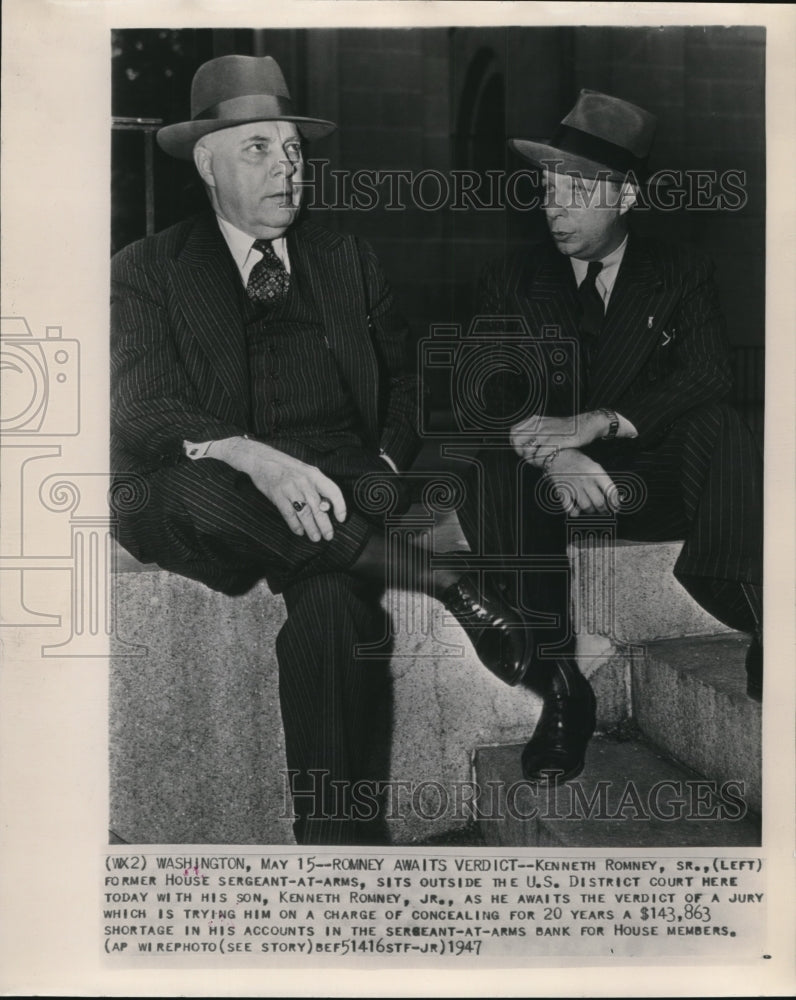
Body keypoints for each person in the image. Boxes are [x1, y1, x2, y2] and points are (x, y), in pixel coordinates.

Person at [111, 54, 548, 846]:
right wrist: (254, 455)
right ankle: (441, 579)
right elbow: (140, 407)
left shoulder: (346, 258)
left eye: (295, 151)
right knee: (178, 486)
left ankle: (332, 855)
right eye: (258, 150)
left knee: (329, 607)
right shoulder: (146, 271)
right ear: (207, 163)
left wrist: (383, 460)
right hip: (221, 487)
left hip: (346, 486)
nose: (287, 168)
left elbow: (408, 377)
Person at [457, 89, 764, 786]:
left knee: (720, 425)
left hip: (645, 478)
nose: (554, 207)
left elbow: (710, 374)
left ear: (626, 195)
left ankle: (763, 617)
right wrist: (559, 451)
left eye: (575, 190)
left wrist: (599, 421)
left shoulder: (681, 272)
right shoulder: (512, 280)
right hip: (549, 488)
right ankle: (564, 691)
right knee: (487, 464)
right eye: (546, 188)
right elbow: (486, 394)